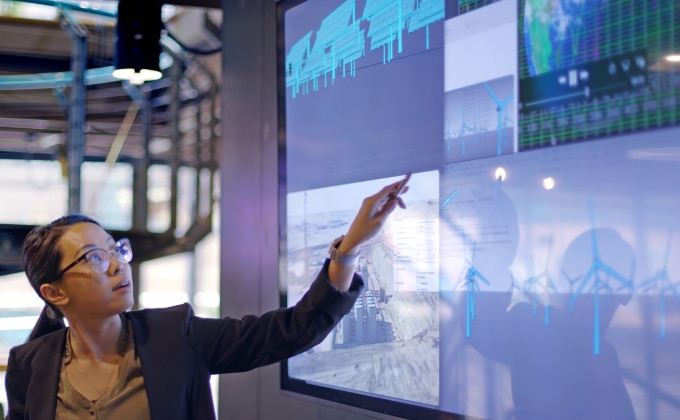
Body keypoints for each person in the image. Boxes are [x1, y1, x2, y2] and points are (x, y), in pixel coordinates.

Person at [4, 180, 408, 420]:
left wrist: (349, 248)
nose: (116, 266)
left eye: (115, 249)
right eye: (95, 257)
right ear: (54, 292)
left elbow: (293, 329)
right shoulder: (29, 365)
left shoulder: (174, 336)